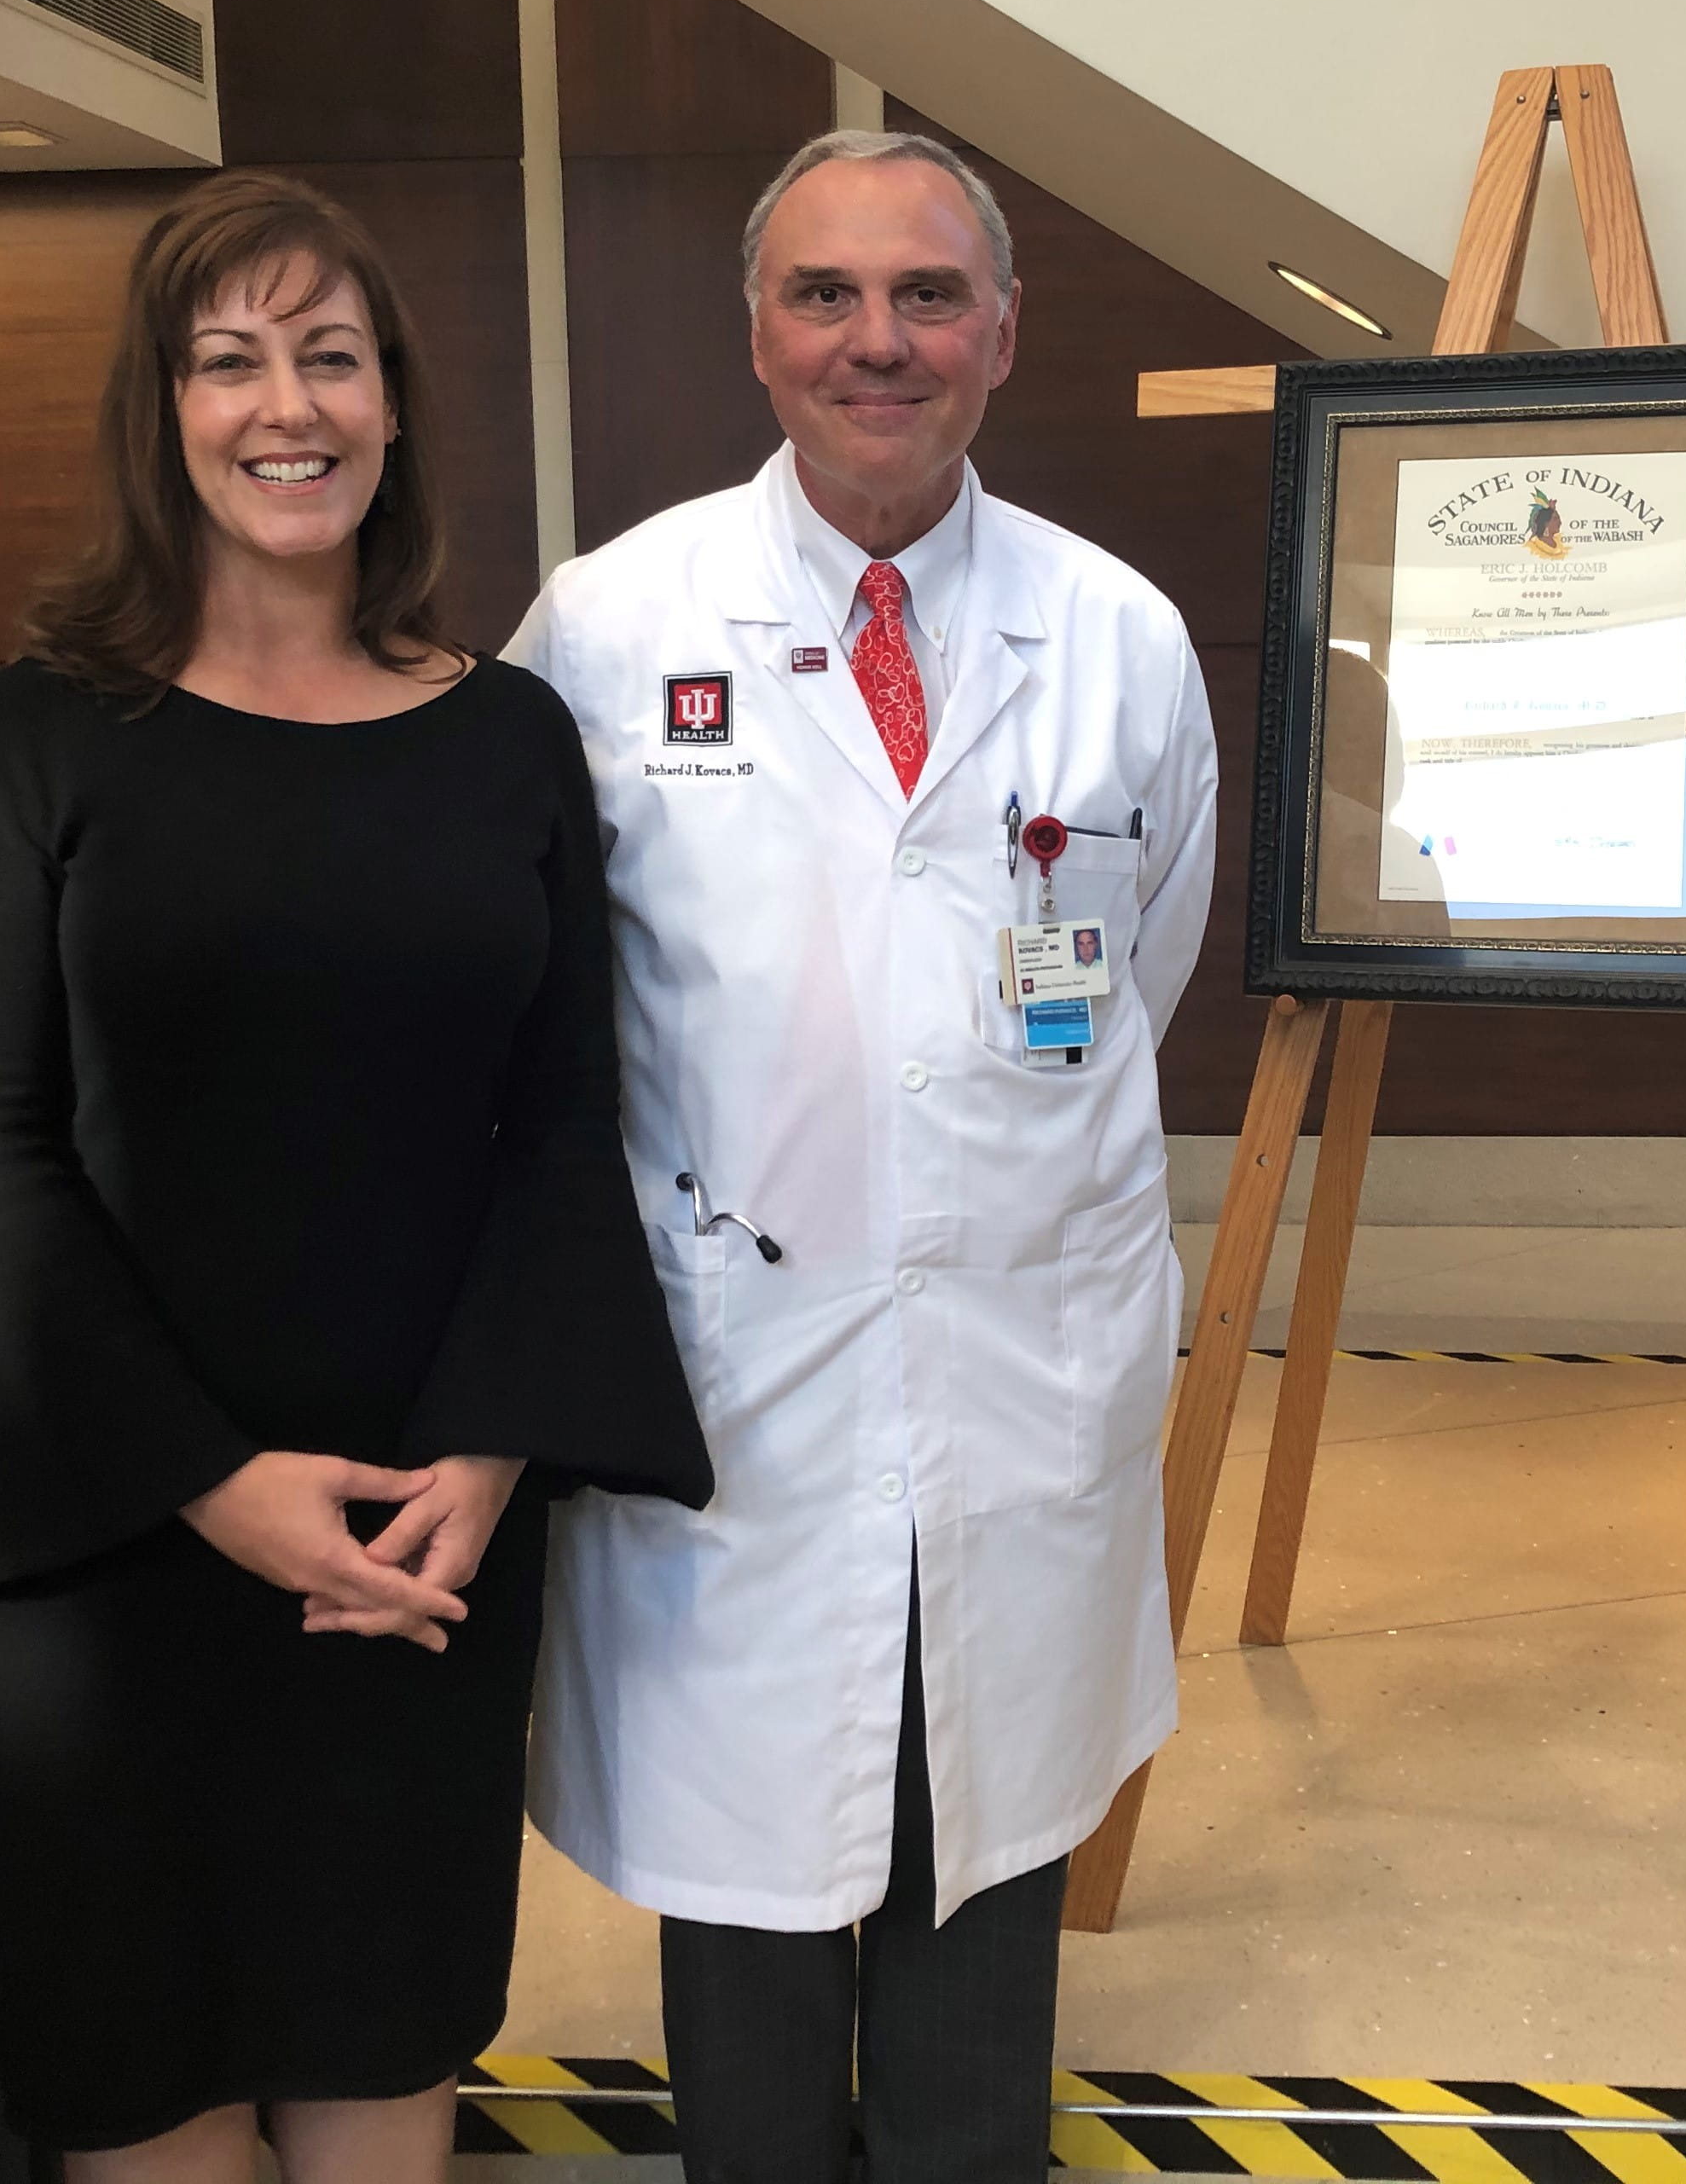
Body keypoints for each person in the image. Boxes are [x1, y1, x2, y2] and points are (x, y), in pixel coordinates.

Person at [0, 171, 710, 2181]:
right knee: (147, 2078)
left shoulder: (506, 738)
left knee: (384, 2029)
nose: (286, 406)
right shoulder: (34, 738)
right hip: (108, 1522)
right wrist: (218, 1487)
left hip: (416, 1531)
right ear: (161, 410)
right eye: (229, 361)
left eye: (329, 356)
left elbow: (565, 1124)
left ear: (393, 401)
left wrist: (490, 1448)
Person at [505, 128, 1219, 2184]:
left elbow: (1140, 969)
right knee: (748, 1920)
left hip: (1020, 1364)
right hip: (736, 1371)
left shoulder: (1116, 636)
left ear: (1004, 330)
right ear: (757, 333)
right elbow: (546, 1004)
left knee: (982, 1887)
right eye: (826, 294)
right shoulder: (612, 625)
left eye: (927, 295)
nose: (876, 340)